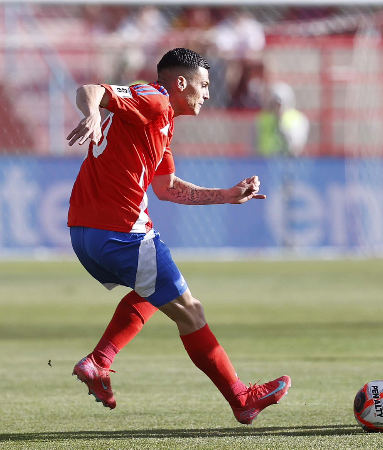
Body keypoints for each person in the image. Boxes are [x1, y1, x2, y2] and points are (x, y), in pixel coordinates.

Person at [65, 48, 290, 425]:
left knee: (155, 293)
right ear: (181, 82)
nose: (207, 94)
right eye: (204, 85)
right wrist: (91, 112)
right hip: (123, 232)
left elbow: (167, 188)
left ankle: (99, 362)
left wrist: (227, 195)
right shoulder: (153, 99)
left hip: (84, 234)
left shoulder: (162, 121)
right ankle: (241, 399)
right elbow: (91, 90)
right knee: (191, 310)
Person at [254, 82, 309, 157]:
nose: (277, 108)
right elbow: (255, 142)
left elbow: (296, 146)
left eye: (279, 104)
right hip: (265, 160)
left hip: (288, 160)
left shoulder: (297, 119)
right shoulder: (264, 118)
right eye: (274, 104)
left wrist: (282, 127)